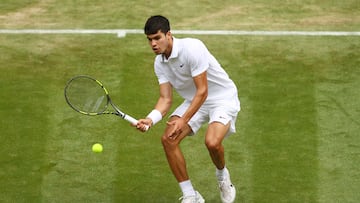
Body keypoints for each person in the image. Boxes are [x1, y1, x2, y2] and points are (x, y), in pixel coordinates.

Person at [136, 15, 240, 203]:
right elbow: (165, 99)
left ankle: (223, 177)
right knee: (168, 140)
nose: (153, 44)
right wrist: (151, 119)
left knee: (212, 143)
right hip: (194, 101)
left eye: (157, 38)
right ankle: (191, 196)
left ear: (169, 35)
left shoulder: (192, 48)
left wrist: (183, 120)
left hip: (222, 99)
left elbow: (203, 91)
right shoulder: (159, 63)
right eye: (149, 40)